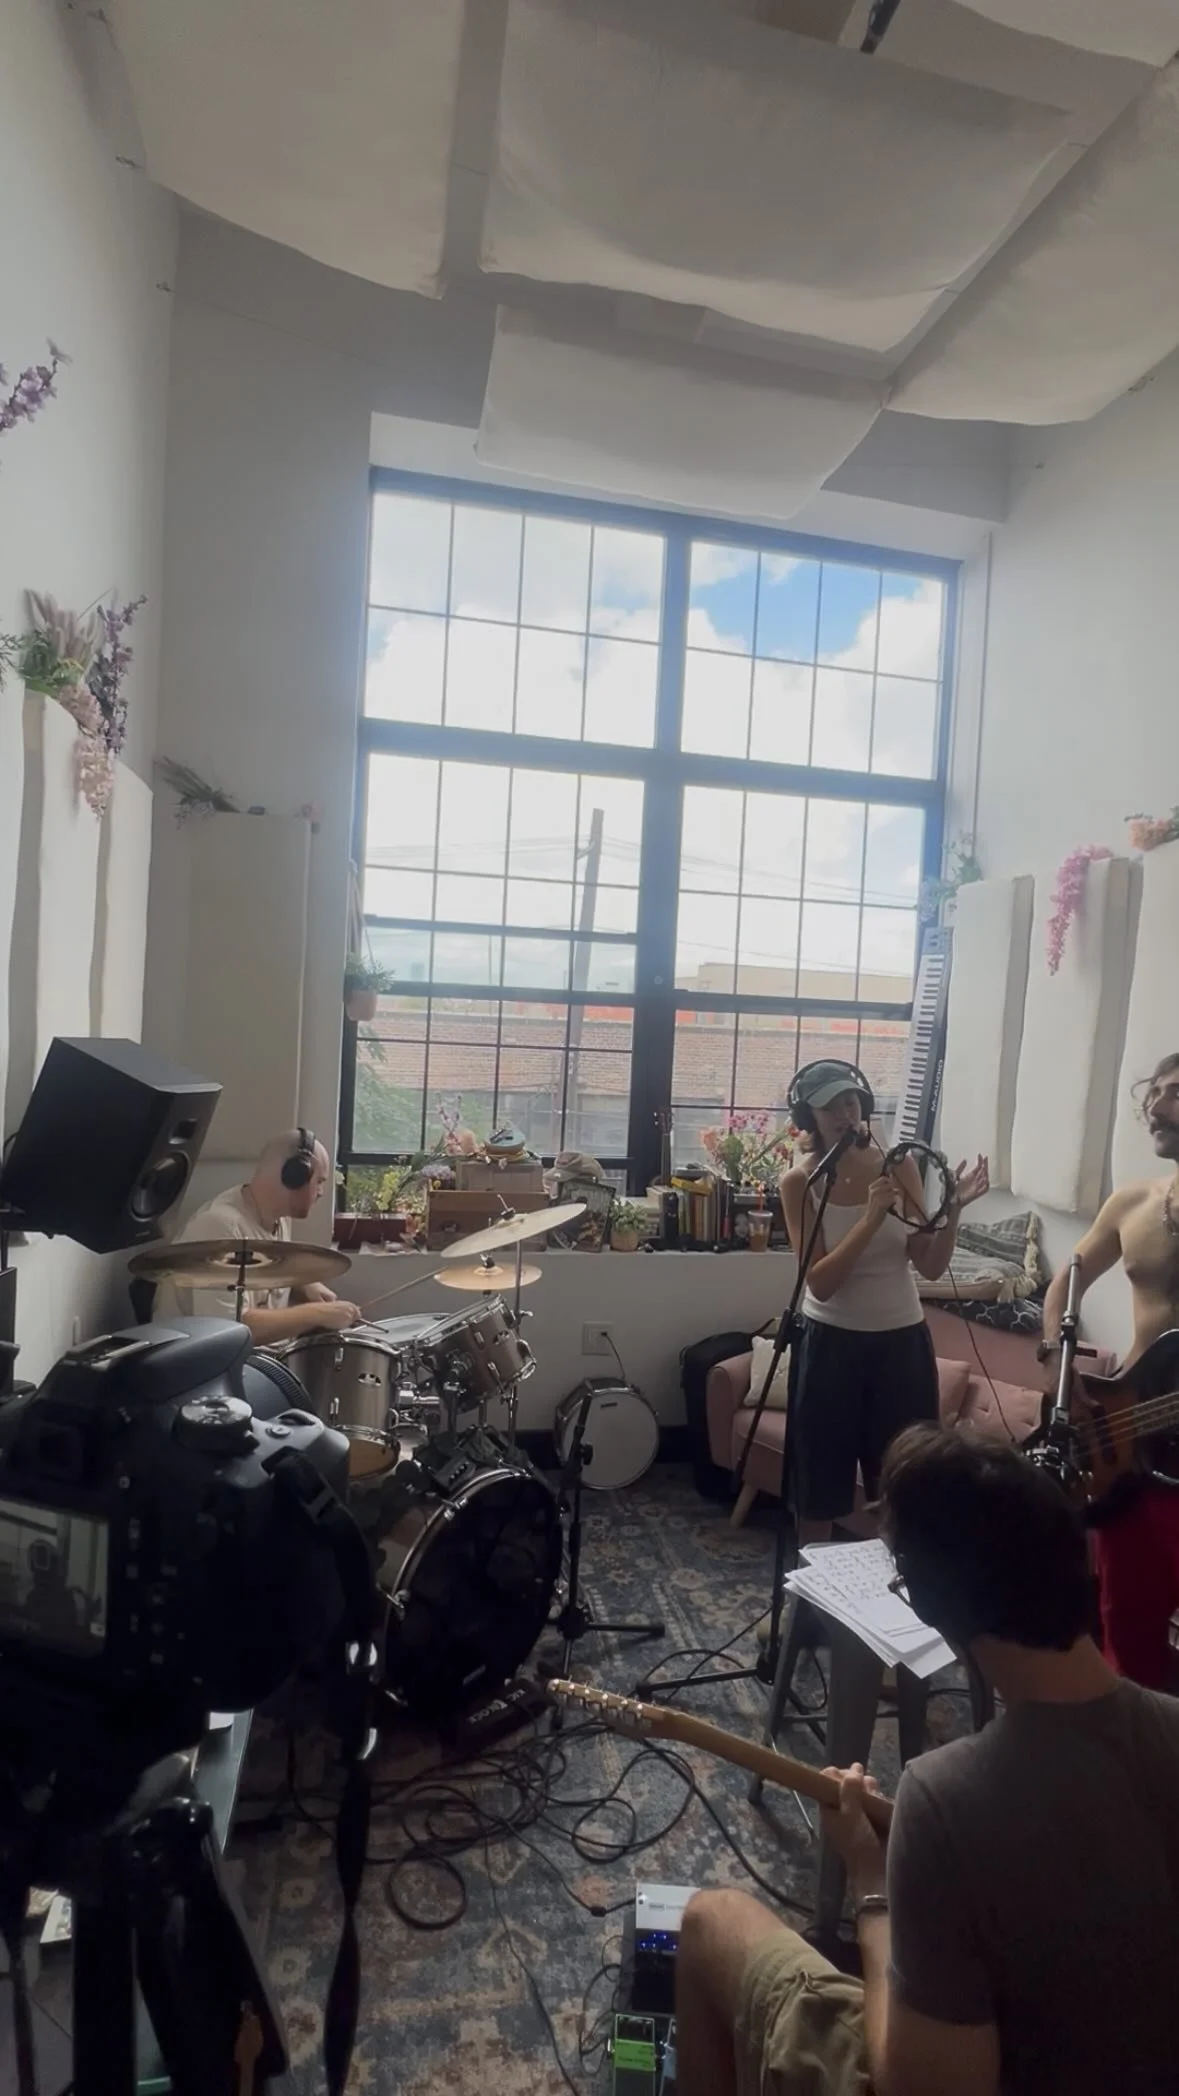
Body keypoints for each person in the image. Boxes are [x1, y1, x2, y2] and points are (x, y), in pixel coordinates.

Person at [675, 1423, 1179, 2096]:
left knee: (709, 1921)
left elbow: (921, 2087)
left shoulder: (942, 1799)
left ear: (937, 1606)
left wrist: (869, 1881)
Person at [778, 1060, 988, 1539]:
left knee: (907, 1486)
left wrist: (952, 1212)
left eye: (850, 1102)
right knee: (818, 1488)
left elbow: (929, 1264)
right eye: (830, 1107)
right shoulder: (801, 1183)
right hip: (829, 1346)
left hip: (901, 1347)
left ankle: (896, 1580)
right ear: (809, 1118)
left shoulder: (900, 1166)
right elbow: (820, 1282)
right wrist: (871, 1219)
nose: (844, 1114)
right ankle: (812, 1584)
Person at [1042, 1049, 1179, 1686]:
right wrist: (1057, 1361)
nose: (1156, 1106)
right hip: (1134, 1445)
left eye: (1175, 1093)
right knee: (1127, 1631)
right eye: (1154, 1092)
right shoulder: (1131, 1204)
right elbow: (1067, 1280)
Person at [157, 1128, 362, 1346]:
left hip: (255, 1355)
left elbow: (263, 1271)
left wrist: (305, 1284)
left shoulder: (277, 1216)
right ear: (294, 1176)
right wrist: (317, 1314)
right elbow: (228, 1331)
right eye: (319, 1181)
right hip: (200, 1360)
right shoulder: (221, 1227)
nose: (321, 1192)